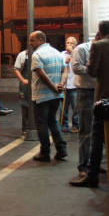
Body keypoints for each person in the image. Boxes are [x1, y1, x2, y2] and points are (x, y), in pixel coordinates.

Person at [70, 21, 109, 188]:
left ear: (100, 32)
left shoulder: (99, 46)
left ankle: (91, 174)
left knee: (95, 134)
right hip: (96, 94)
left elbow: (92, 71)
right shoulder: (83, 48)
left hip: (102, 97)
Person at [29, 31, 68, 162]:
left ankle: (45, 153)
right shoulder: (57, 52)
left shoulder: (37, 54)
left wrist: (53, 87)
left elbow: (41, 74)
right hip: (56, 95)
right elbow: (65, 70)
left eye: (32, 40)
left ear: (40, 40)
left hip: (42, 95)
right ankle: (62, 149)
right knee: (53, 121)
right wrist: (61, 85)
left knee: (42, 124)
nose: (30, 43)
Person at [68, 37, 96, 180]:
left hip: (100, 91)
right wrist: (94, 70)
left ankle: (97, 164)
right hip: (85, 91)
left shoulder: (103, 48)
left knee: (100, 130)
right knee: (85, 130)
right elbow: (76, 67)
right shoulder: (82, 49)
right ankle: (83, 166)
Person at [60, 37, 79, 133]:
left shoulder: (78, 53)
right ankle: (64, 125)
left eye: (71, 43)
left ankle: (76, 125)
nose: (69, 44)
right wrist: (65, 62)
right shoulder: (62, 54)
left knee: (76, 107)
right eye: (67, 42)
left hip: (75, 85)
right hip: (65, 85)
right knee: (64, 107)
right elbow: (60, 67)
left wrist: (72, 54)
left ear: (75, 44)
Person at [13, 49, 29, 134]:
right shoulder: (22, 55)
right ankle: (25, 128)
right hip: (25, 85)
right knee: (25, 106)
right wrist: (22, 80)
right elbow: (16, 69)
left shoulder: (41, 53)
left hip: (36, 84)